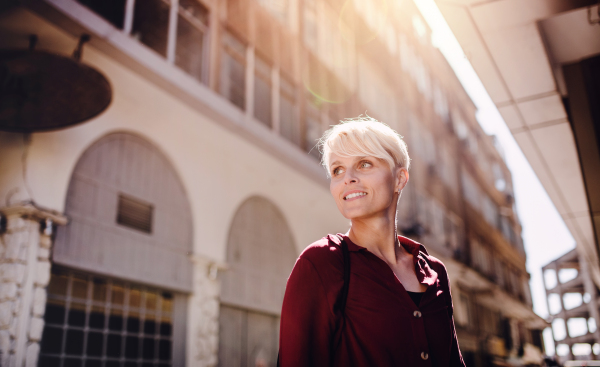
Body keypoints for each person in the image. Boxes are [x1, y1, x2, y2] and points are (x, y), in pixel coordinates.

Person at [278, 117, 466, 367]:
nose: (348, 178)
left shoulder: (435, 272)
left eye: (364, 163)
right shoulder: (321, 263)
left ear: (399, 179)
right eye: (337, 170)